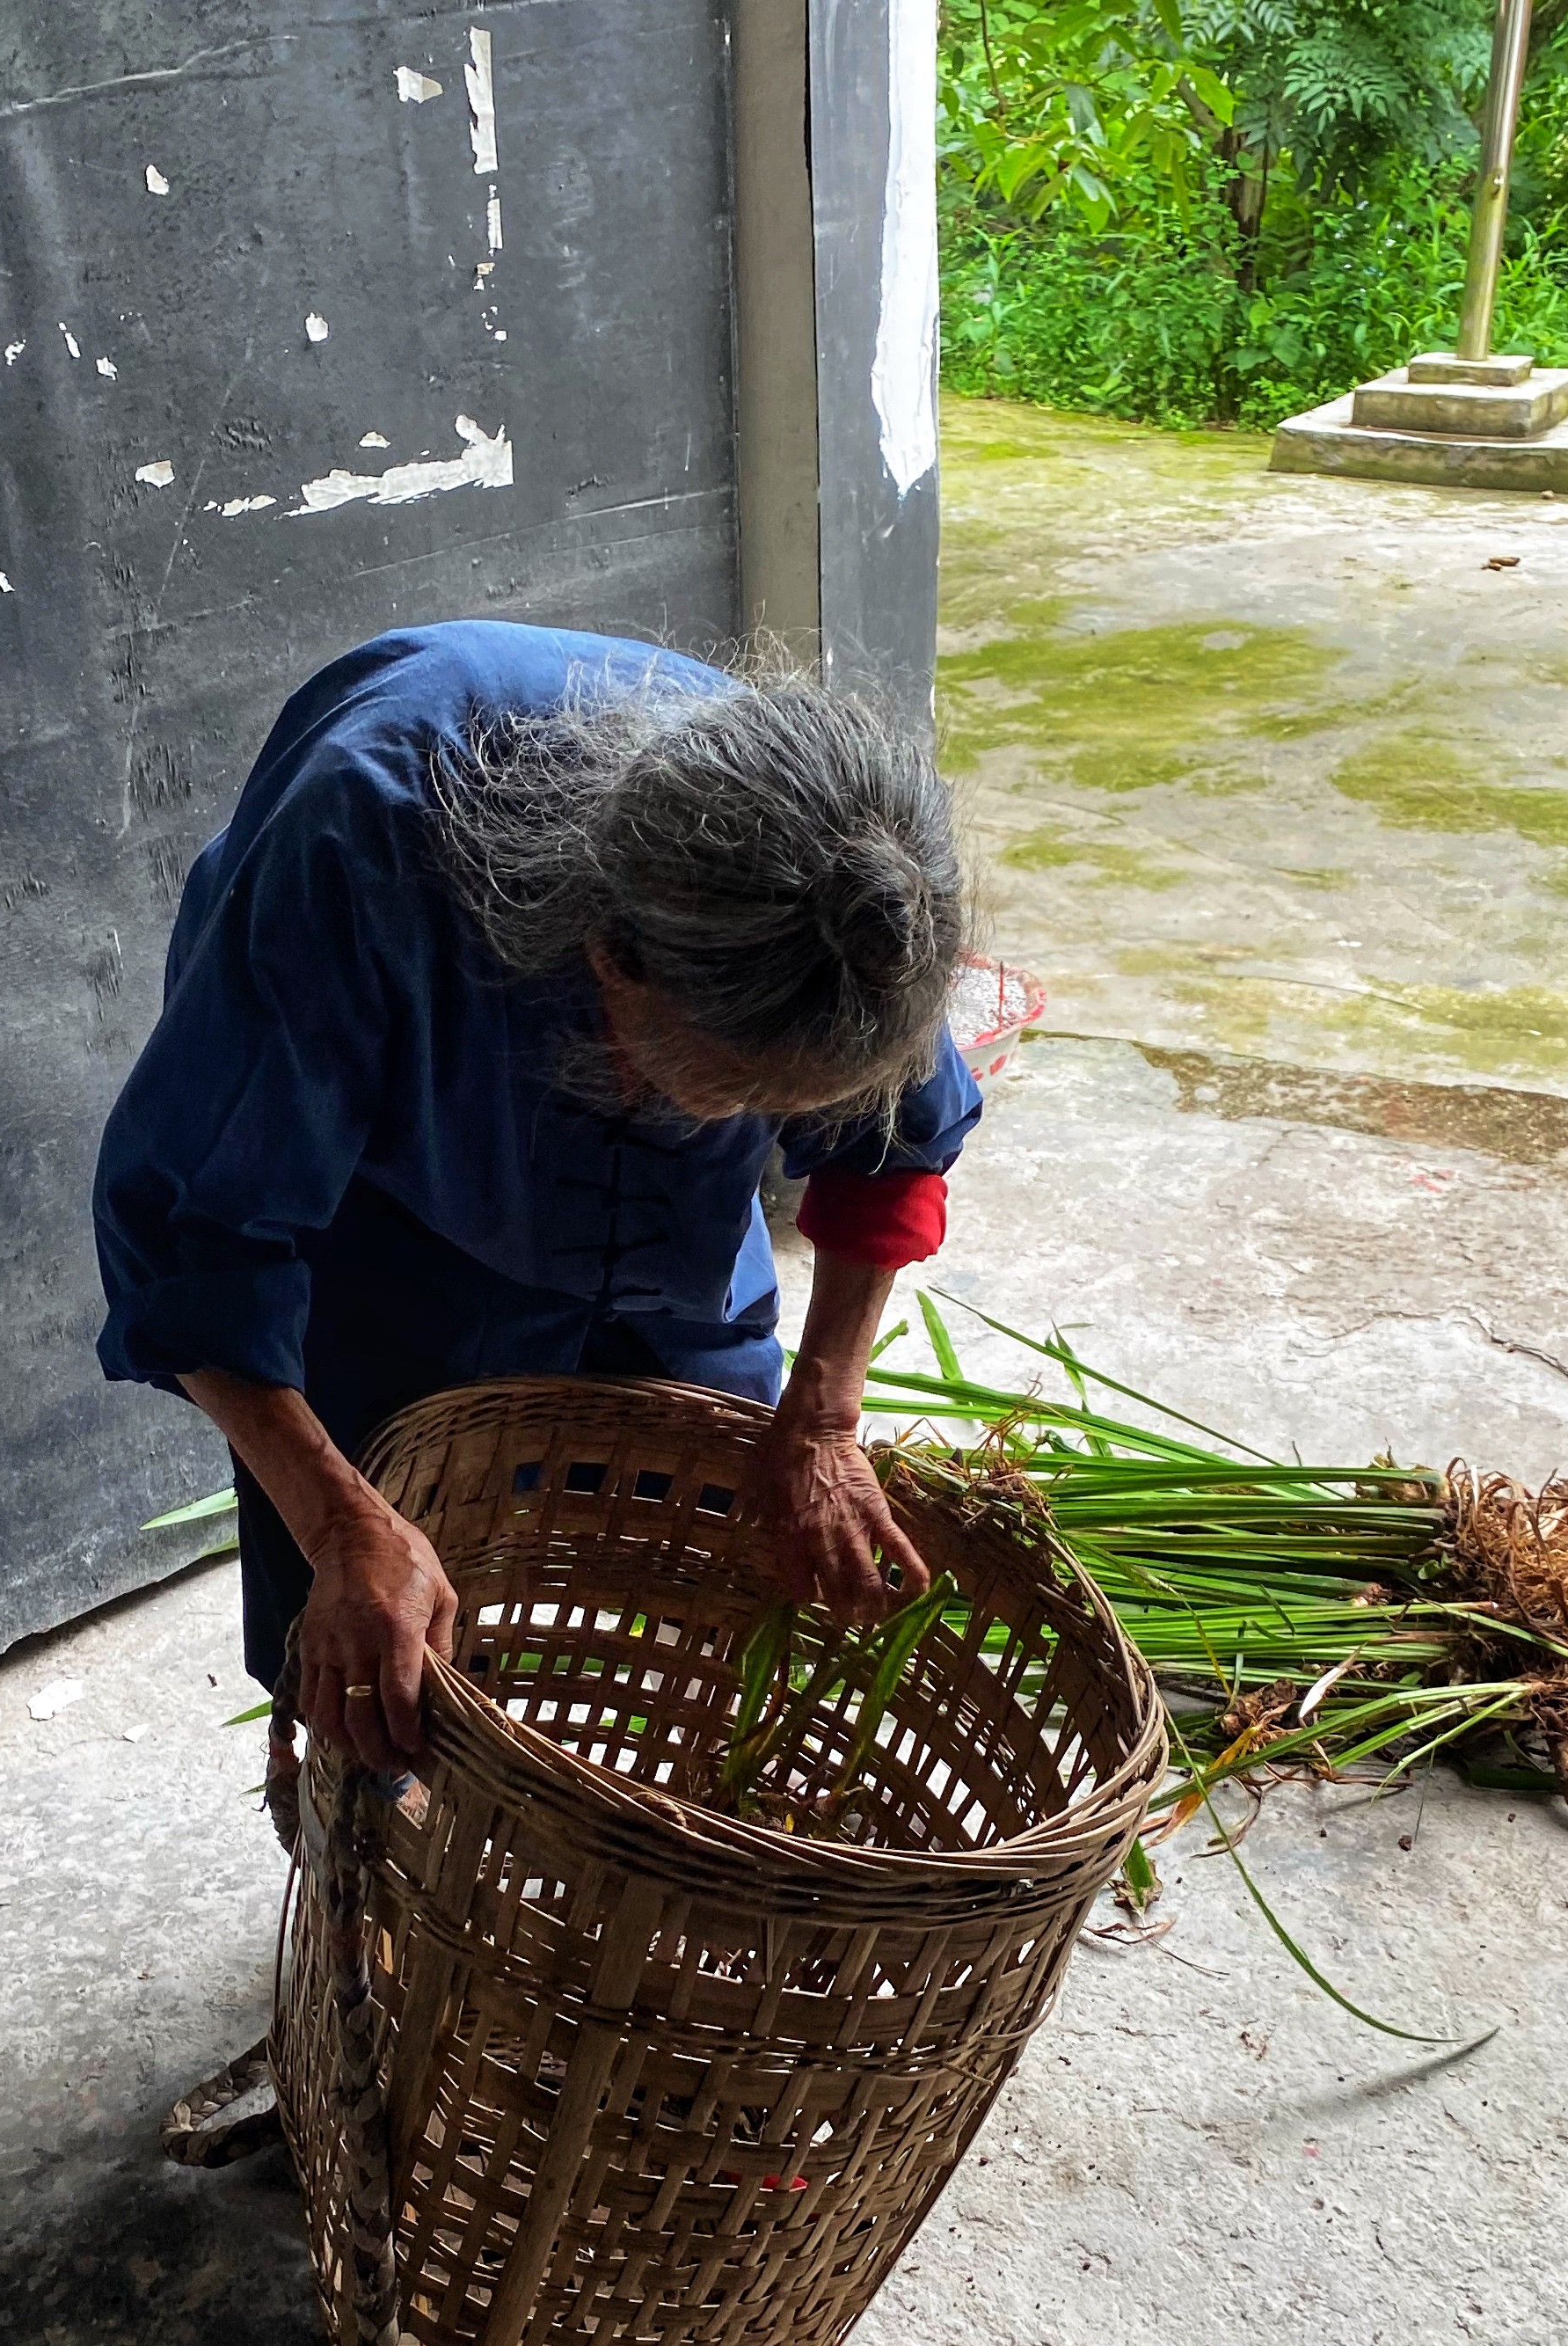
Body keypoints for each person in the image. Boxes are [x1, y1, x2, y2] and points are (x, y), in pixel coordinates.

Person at [91, 619, 980, 1785]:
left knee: (723, 1532)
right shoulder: (360, 847)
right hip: (395, 1202)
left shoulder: (849, 889)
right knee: (383, 1611)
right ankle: (383, 1850)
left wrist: (821, 1414)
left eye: (783, 1107)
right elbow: (193, 1234)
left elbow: (897, 1146)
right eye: (728, 1088)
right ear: (613, 958)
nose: (751, 1123)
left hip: (669, 1222)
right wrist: (340, 1524)